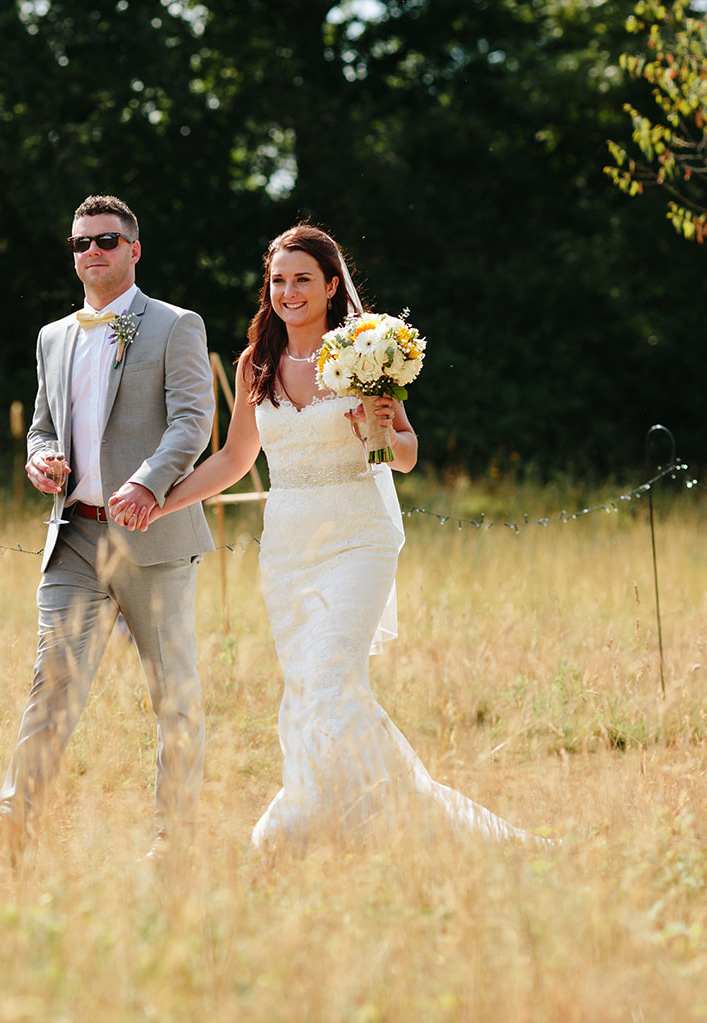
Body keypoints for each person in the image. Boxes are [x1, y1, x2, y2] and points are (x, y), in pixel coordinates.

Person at [126, 224, 545, 854]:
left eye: (302, 279)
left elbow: (403, 454)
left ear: (330, 286)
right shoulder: (255, 365)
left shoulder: (366, 352)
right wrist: (162, 498)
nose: (289, 292)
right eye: (278, 281)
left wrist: (377, 425)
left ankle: (365, 820)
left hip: (359, 538)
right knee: (307, 688)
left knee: (329, 677)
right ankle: (345, 818)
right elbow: (236, 459)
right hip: (289, 547)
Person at [0, 195, 215, 862]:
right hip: (73, 537)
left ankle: (175, 836)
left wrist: (149, 480)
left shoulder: (176, 325)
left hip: (153, 534)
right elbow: (43, 424)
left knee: (172, 689)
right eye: (80, 243)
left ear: (134, 249)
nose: (92, 251)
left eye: (106, 240)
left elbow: (192, 423)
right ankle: (14, 825)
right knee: (53, 680)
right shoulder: (52, 336)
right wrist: (39, 456)